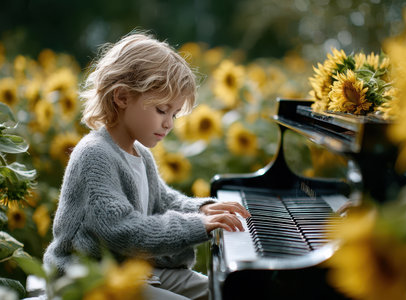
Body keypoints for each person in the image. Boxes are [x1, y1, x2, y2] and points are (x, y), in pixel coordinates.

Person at [43, 31, 250, 300]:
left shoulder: (139, 151)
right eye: (162, 110)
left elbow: (162, 200)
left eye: (174, 114)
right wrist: (198, 225)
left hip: (129, 268)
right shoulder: (94, 155)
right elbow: (121, 230)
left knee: (221, 291)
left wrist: (203, 209)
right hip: (88, 277)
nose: (169, 124)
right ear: (122, 97)